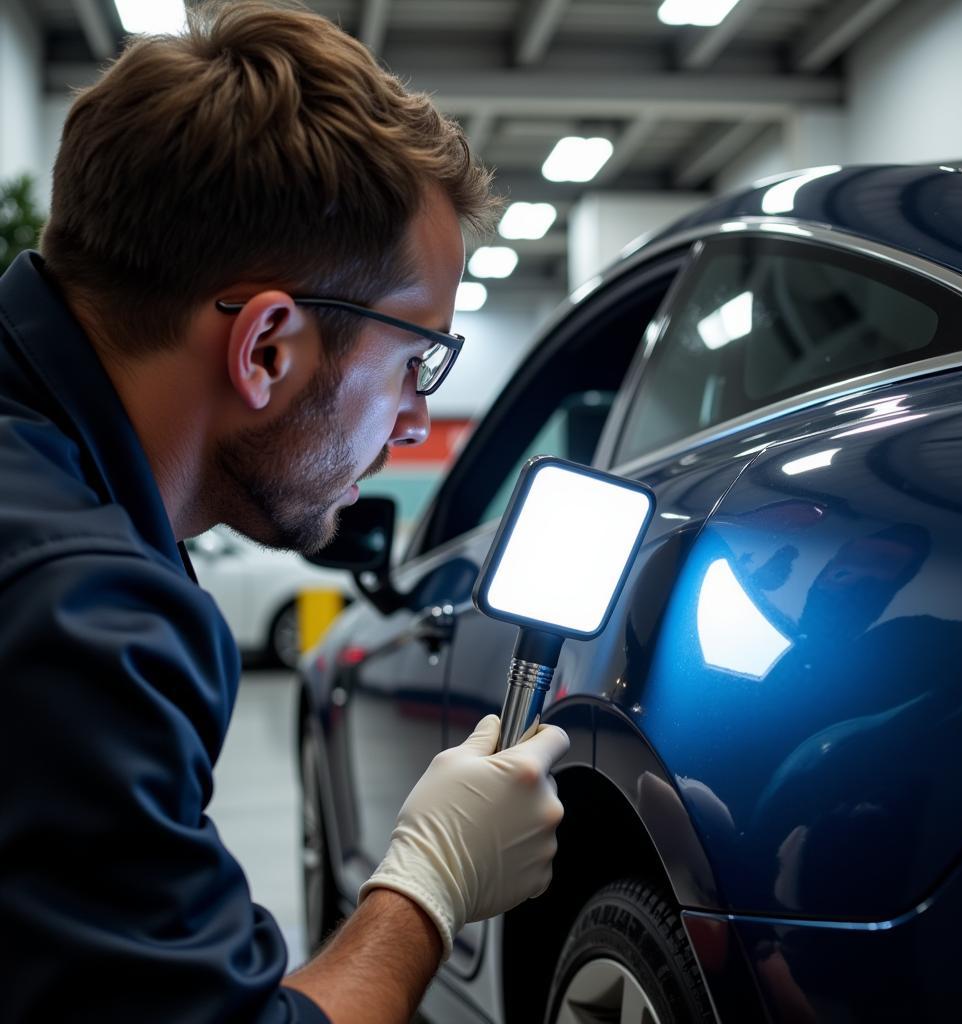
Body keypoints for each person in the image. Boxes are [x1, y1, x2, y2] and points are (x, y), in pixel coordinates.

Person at [0, 3, 569, 1022]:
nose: (412, 421)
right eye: (413, 362)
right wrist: (428, 887)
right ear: (266, 345)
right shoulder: (77, 614)